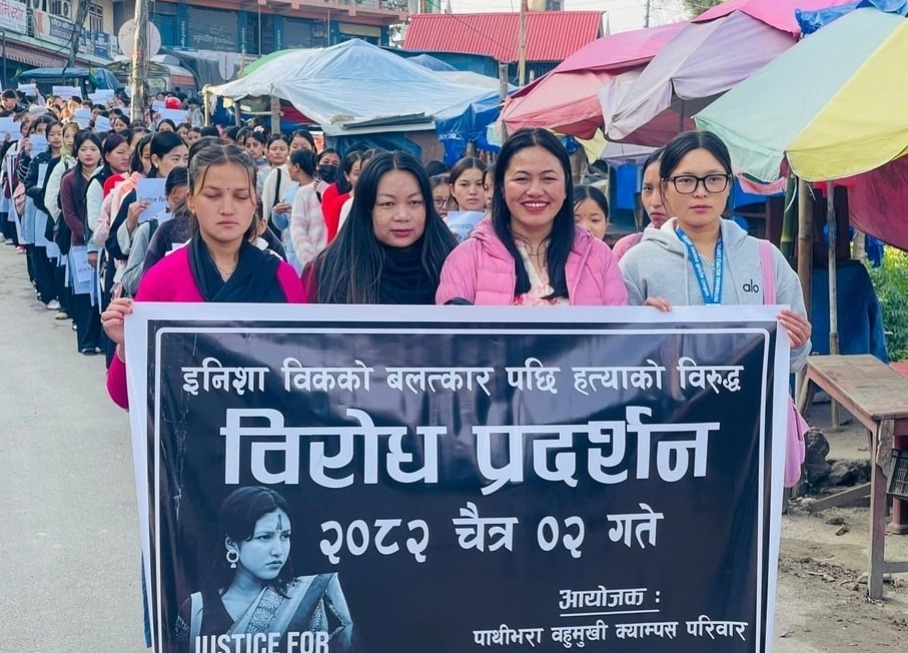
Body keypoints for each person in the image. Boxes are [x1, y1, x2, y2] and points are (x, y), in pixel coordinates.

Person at [102, 143, 306, 409]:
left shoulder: (283, 277)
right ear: (191, 201)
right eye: (212, 195)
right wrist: (127, 344)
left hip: (265, 429)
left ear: (254, 203)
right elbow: (125, 397)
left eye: (241, 196)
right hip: (187, 430)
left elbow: (304, 376)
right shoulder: (162, 279)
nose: (227, 208)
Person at [619, 130, 811, 371]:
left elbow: (794, 362)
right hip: (672, 396)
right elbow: (618, 361)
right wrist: (640, 334)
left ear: (729, 185)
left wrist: (797, 344)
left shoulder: (766, 259)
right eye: (686, 180)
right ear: (666, 188)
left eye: (713, 179)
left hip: (748, 396)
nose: (701, 191)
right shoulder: (636, 264)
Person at [436, 128, 628, 306]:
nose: (535, 191)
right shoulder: (465, 260)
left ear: (566, 186)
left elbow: (619, 330)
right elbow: (450, 331)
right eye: (522, 179)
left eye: (548, 178)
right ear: (501, 187)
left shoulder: (599, 257)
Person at [174, 487, 353, 653]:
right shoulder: (196, 610)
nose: (278, 550)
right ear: (232, 544)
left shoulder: (303, 601)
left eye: (285, 536)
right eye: (265, 537)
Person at [304, 150, 456, 304]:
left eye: (414, 202)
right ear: (366, 208)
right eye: (387, 204)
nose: (402, 216)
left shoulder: (456, 263)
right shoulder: (328, 271)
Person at [59, 131, 104, 354]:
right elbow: (68, 214)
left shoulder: (105, 178)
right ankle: (87, 341)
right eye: (84, 149)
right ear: (76, 152)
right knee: (85, 293)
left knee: (101, 293)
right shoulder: (69, 179)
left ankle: (102, 339)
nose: (89, 154)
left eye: (93, 149)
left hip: (102, 243)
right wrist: (87, 236)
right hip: (80, 243)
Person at [120, 166, 188, 297]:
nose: (183, 209)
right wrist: (155, 261)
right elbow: (129, 281)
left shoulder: (206, 231)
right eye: (177, 201)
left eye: (187, 201)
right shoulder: (150, 229)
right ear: (166, 196)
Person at [24, 120, 65, 309]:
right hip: (42, 210)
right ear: (47, 137)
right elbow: (29, 184)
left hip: (61, 212)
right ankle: (48, 293)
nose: (56, 138)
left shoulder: (70, 159)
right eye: (52, 134)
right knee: (42, 253)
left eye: (60, 134)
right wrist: (44, 194)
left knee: (59, 254)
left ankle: (61, 293)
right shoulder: (39, 159)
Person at [612, 148, 668, 261]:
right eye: (648, 188)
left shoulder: (703, 249)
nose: (655, 202)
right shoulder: (626, 248)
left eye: (665, 189)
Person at [284, 149, 324, 274]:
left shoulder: (320, 190)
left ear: (296, 167)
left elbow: (298, 229)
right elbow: (285, 224)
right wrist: (276, 213)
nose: (287, 169)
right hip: (297, 254)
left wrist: (310, 261)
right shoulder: (291, 191)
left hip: (315, 259)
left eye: (288, 165)